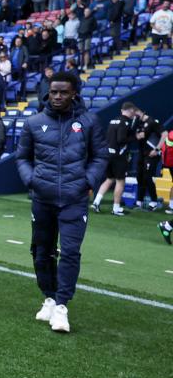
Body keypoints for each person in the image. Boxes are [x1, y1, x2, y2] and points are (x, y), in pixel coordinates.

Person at [16, 72, 107, 333]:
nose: (57, 96)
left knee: (69, 252)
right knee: (41, 251)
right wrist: (31, 180)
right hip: (42, 197)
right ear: (48, 92)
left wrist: (86, 182)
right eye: (54, 92)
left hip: (74, 199)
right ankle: (49, 297)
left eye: (63, 92)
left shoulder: (89, 122)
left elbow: (100, 157)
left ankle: (62, 307)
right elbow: (22, 157)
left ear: (74, 93)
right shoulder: (34, 122)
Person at [92, 102, 135, 216]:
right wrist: (135, 137)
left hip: (108, 153)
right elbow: (121, 139)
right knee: (120, 181)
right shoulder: (125, 122)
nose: (133, 114)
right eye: (133, 111)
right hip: (119, 155)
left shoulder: (113, 121)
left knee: (109, 179)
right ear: (130, 110)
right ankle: (116, 208)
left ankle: (96, 202)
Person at [134, 109, 163, 211]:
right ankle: (139, 202)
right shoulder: (138, 124)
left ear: (142, 112)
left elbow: (164, 134)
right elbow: (137, 137)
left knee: (147, 177)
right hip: (142, 153)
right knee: (140, 176)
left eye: (136, 114)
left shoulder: (153, 122)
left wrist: (157, 149)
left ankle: (154, 201)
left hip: (152, 154)